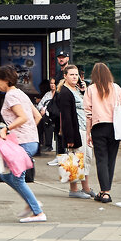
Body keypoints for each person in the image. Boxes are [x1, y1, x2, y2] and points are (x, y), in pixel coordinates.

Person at [0, 64, 46, 222]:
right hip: (29, 141)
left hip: (22, 143)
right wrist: (28, 132)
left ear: (7, 80)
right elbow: (37, 117)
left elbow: (22, 117)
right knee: (5, 176)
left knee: (17, 178)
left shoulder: (11, 96)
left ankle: (37, 211)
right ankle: (32, 203)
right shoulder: (21, 93)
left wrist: (6, 129)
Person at [85, 61, 121, 204]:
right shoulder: (116, 88)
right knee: (111, 159)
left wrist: (88, 133)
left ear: (94, 75)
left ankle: (104, 192)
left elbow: (88, 113)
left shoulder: (91, 89)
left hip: (98, 127)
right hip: (114, 127)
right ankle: (105, 191)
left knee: (101, 160)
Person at [50, 64, 92, 198]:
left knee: (86, 159)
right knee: (75, 159)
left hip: (85, 129)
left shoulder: (78, 90)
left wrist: (84, 91)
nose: (74, 77)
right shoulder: (65, 92)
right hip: (76, 130)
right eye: (71, 74)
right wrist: (69, 138)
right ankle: (74, 189)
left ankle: (86, 188)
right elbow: (66, 117)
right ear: (65, 76)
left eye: (76, 74)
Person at [37, 78, 57, 153]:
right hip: (45, 115)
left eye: (54, 83)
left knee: (47, 122)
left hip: (54, 116)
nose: (52, 85)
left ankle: (49, 145)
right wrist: (42, 108)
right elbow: (40, 104)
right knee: (39, 122)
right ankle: (39, 144)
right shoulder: (48, 94)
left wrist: (45, 109)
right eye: (51, 83)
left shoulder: (59, 94)